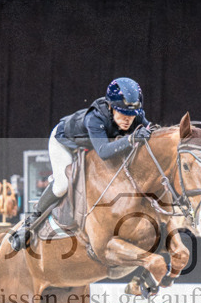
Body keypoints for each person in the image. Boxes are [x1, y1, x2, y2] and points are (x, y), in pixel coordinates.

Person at [9, 77, 152, 251]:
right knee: (62, 184)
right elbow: (104, 152)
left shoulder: (136, 114)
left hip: (88, 147)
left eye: (132, 114)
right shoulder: (95, 118)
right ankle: (29, 224)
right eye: (122, 113)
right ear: (110, 107)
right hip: (64, 142)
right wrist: (131, 139)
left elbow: (151, 130)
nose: (128, 119)